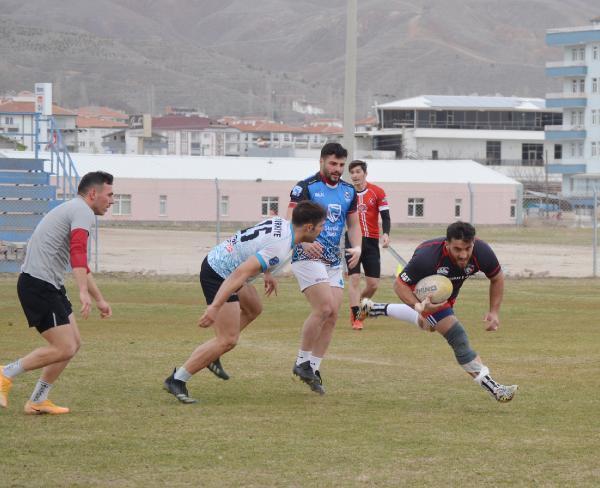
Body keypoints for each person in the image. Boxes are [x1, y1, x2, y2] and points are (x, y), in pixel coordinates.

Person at [163, 200, 326, 404]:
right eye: (321, 226)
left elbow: (258, 244)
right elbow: (239, 274)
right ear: (309, 227)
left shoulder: (281, 223)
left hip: (223, 261)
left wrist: (267, 272)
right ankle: (177, 379)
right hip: (219, 274)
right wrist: (215, 307)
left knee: (254, 308)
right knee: (228, 340)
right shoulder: (280, 247)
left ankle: (213, 354)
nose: (323, 230)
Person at [360, 221, 518, 402]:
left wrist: (494, 312)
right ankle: (495, 389)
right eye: (457, 249)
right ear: (447, 244)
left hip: (447, 291)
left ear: (473, 243)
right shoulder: (427, 258)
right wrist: (418, 306)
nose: (463, 255)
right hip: (423, 287)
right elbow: (399, 285)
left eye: (467, 248)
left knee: (428, 325)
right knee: (456, 335)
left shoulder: (482, 252)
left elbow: (497, 277)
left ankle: (374, 309)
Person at [0, 171, 114, 414]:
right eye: (110, 195)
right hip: (38, 285)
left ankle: (38, 400)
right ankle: (5, 373)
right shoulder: (82, 211)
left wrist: (99, 299)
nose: (112, 201)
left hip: (48, 285)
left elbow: (82, 265)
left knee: (73, 344)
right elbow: (78, 252)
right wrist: (82, 291)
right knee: (64, 347)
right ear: (93, 194)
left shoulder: (74, 209)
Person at [288, 142, 362, 395]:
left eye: (341, 165)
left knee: (332, 316)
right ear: (321, 161)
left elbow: (353, 224)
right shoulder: (305, 187)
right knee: (324, 308)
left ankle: (313, 368)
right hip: (306, 256)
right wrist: (302, 243)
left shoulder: (348, 191)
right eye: (333, 163)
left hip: (333, 261)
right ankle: (301, 361)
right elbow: (290, 221)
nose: (337, 169)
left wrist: (357, 247)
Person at [344, 160, 390, 330]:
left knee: (373, 284)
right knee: (354, 278)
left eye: (358, 171)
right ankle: (356, 316)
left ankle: (357, 307)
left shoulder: (377, 192)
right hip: (352, 240)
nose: (355, 175)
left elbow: (385, 216)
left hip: (371, 241)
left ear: (365, 173)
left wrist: (386, 233)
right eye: (352, 172)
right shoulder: (346, 194)